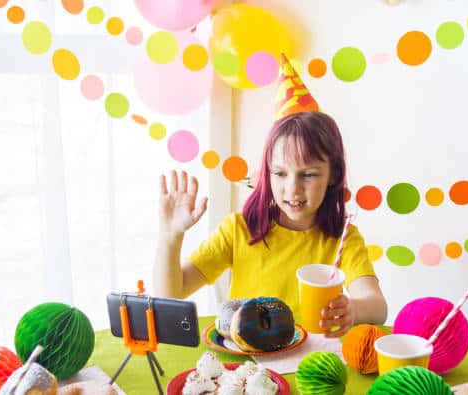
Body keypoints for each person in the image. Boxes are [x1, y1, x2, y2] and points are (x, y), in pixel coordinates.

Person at [153, 111, 387, 338]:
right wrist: (170, 237)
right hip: (247, 368)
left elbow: (377, 307)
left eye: (308, 175)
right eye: (280, 173)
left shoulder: (342, 237)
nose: (293, 189)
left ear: (333, 174)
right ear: (267, 173)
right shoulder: (238, 229)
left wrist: (353, 309)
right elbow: (171, 292)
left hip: (307, 363)